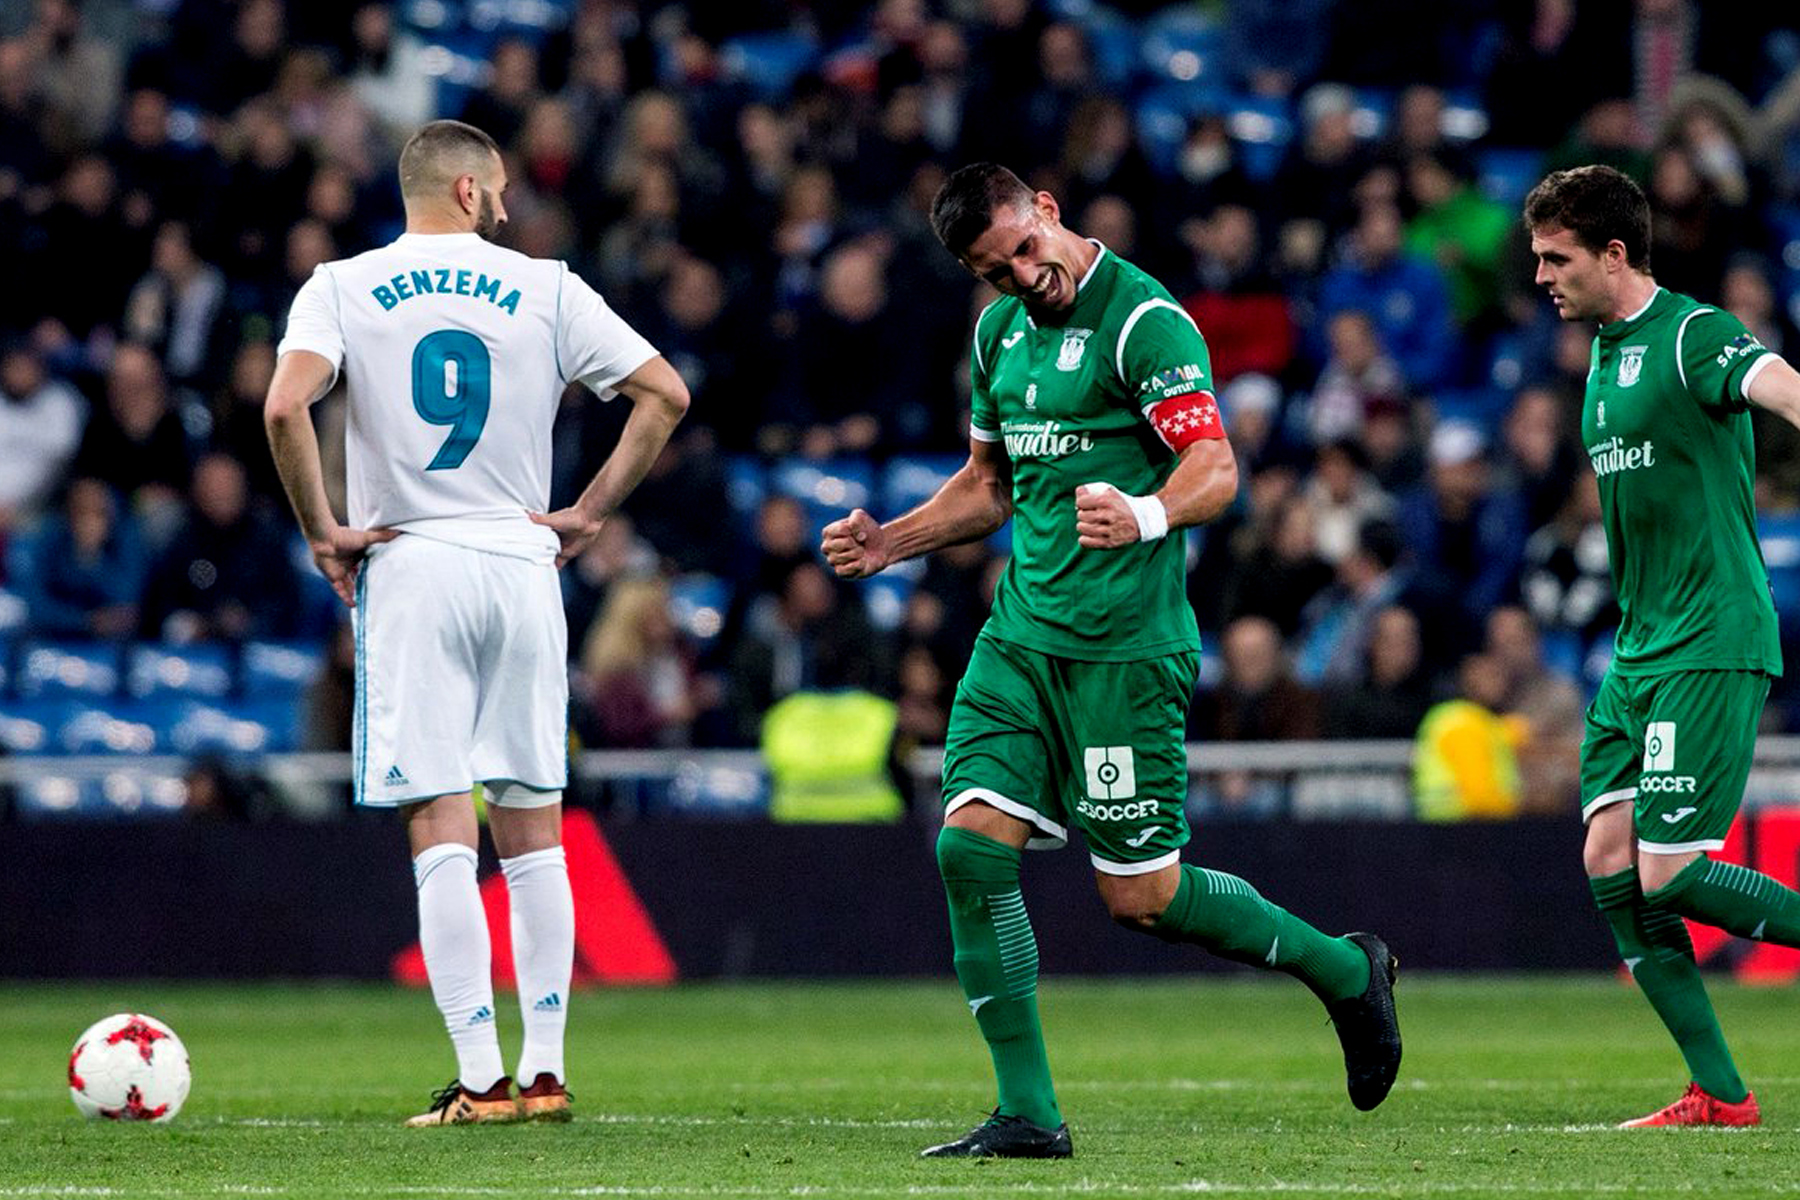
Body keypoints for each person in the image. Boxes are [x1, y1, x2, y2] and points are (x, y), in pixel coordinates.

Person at [821, 163, 1400, 1160]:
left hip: (1124, 656)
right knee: (966, 849)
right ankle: (1030, 1114)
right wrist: (893, 543)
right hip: (1020, 641)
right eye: (994, 270)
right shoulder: (997, 334)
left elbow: (1216, 468)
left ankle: (1346, 970)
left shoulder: (1146, 324)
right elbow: (988, 485)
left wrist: (1146, 511)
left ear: (1046, 209)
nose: (1021, 276)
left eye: (1023, 249)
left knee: (1142, 897)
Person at [264, 120, 689, 1126]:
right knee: (535, 828)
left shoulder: (339, 284)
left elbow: (286, 408)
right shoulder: (546, 287)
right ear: (466, 191)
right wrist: (586, 512)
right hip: (519, 560)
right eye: (495, 190)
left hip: (413, 563)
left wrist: (324, 529)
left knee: (440, 823)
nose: (504, 204)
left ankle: (482, 1081)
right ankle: (543, 1072)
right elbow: (663, 393)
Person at [1525, 163, 1800, 1127]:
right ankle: (1720, 1093)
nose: (1542, 276)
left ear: (1614, 252)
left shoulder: (1692, 334)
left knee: (1670, 871)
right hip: (1639, 652)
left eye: (1557, 258)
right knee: (1608, 856)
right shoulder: (1601, 355)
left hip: (1710, 636)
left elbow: (1780, 385)